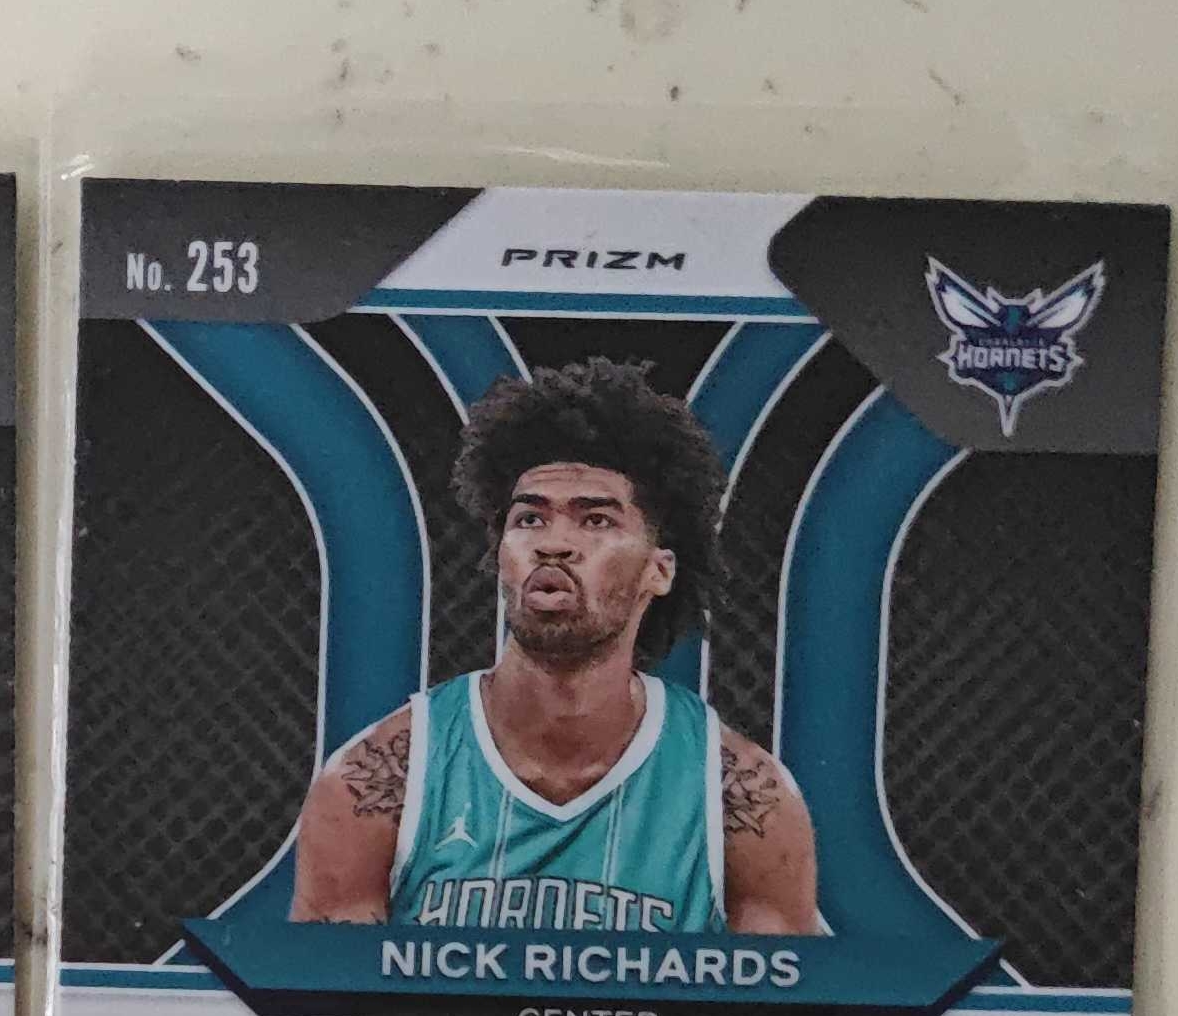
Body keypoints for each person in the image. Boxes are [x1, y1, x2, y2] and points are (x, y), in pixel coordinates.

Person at [291, 358, 816, 934]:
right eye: (530, 520)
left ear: (659, 570)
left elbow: (773, 994)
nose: (554, 544)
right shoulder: (377, 779)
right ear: (500, 558)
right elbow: (330, 995)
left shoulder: (745, 799)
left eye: (596, 521)